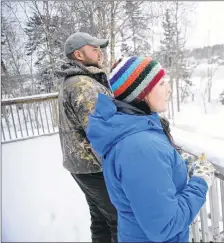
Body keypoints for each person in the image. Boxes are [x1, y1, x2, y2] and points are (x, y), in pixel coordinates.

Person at [85, 56, 215, 242]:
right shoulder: (139, 148)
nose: (169, 89)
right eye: (161, 84)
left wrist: (175, 159)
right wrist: (201, 181)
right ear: (140, 93)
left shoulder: (136, 130)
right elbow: (164, 226)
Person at [56, 32, 117, 242]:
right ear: (79, 55)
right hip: (94, 166)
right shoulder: (83, 85)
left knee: (100, 217)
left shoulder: (74, 81)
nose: (99, 52)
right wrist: (117, 166)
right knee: (118, 218)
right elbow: (100, 132)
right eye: (94, 48)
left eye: (100, 48)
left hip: (81, 166)